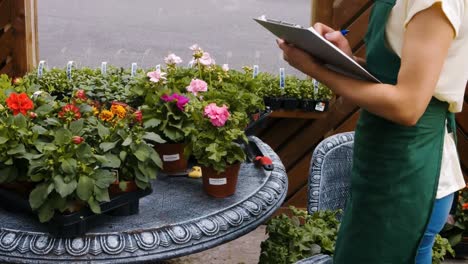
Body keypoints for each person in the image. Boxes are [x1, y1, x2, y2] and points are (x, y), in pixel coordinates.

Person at [277, 0, 467, 263]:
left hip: (412, 169)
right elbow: (396, 79)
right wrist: (339, 59)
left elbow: (408, 106)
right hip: (386, 159)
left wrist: (316, 70)